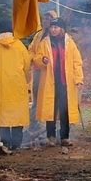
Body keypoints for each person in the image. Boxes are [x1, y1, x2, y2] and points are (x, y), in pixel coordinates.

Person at [31, 15, 83, 146]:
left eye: (56, 27)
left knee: (64, 109)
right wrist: (42, 60)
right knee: (51, 110)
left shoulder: (70, 43)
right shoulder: (44, 43)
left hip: (65, 82)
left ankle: (65, 137)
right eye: (52, 27)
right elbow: (36, 60)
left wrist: (78, 78)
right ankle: (51, 137)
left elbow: (77, 62)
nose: (53, 30)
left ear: (62, 29)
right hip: (50, 82)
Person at [0, 30, 31, 151]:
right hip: (17, 84)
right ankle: (16, 143)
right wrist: (27, 82)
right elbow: (27, 66)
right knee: (17, 114)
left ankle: (5, 142)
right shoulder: (20, 45)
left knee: (2, 115)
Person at [26, 9, 57, 142]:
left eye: (49, 19)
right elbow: (31, 51)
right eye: (44, 19)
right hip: (38, 72)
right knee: (36, 97)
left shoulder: (56, 35)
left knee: (52, 99)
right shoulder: (38, 36)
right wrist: (35, 60)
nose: (46, 21)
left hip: (51, 74)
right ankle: (34, 124)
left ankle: (53, 126)